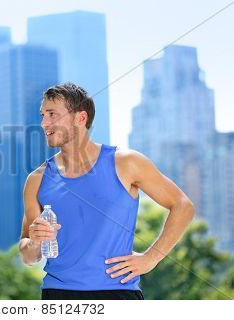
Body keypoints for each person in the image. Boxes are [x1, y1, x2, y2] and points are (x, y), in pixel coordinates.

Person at [18, 82, 195, 300]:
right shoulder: (36, 180)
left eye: (52, 114)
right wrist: (35, 242)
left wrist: (151, 258)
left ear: (80, 118)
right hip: (57, 295)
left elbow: (183, 206)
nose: (44, 123)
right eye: (43, 115)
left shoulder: (126, 162)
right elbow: (28, 255)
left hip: (118, 294)